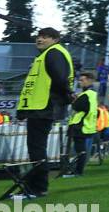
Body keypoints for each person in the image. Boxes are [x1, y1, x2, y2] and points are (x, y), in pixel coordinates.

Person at [15, 27, 74, 199]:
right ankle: (34, 186)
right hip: (39, 108)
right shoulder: (46, 55)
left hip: (44, 107)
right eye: (39, 36)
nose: (40, 39)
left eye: (46, 37)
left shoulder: (54, 53)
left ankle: (38, 188)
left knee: (37, 149)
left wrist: (64, 96)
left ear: (55, 40)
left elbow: (60, 79)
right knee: (36, 148)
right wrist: (23, 109)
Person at [63, 70, 99, 178]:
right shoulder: (91, 94)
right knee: (81, 150)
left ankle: (78, 171)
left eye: (82, 80)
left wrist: (74, 100)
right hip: (85, 125)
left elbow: (77, 106)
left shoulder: (86, 94)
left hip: (80, 125)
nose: (80, 82)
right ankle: (77, 170)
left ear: (89, 80)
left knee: (80, 150)